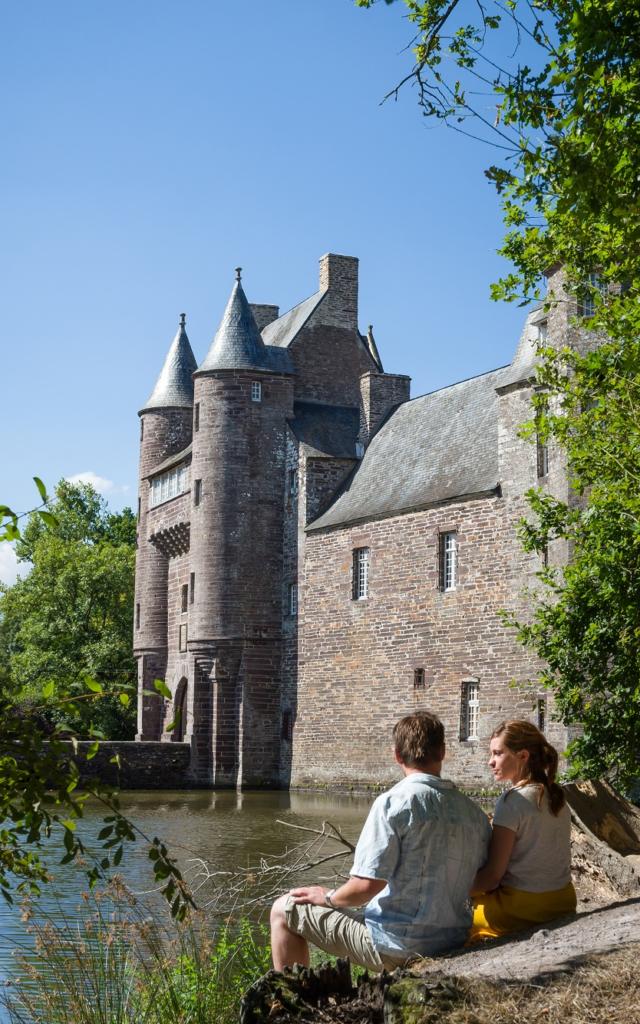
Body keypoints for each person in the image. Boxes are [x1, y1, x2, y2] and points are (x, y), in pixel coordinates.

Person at [270, 711, 491, 972]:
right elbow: (482, 880)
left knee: (283, 909)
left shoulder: (393, 803)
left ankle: (291, 1004)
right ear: (442, 752)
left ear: (397, 755)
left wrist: (327, 897)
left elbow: (366, 886)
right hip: (452, 940)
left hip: (396, 946)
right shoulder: (473, 813)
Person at [469, 719, 577, 941]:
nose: (491, 762)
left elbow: (492, 878)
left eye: (498, 753)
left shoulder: (513, 801)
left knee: (459, 917)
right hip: (563, 902)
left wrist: (454, 890)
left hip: (522, 909)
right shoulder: (556, 796)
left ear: (523, 756)